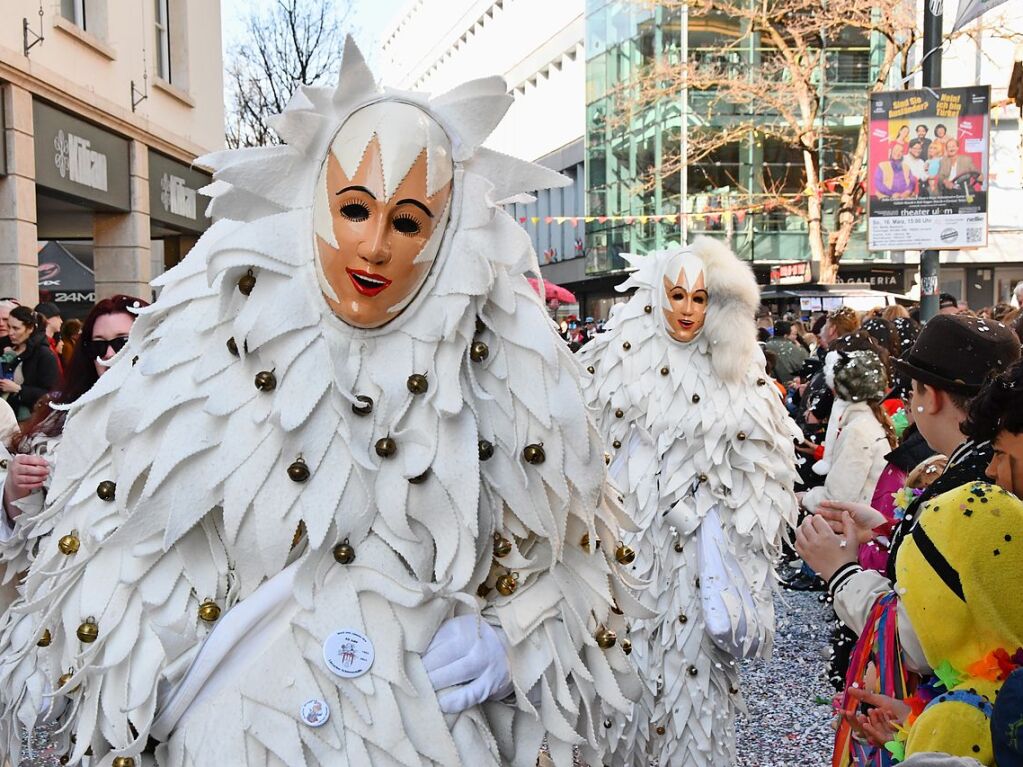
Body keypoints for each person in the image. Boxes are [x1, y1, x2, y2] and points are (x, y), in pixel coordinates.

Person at [0, 39, 640, 767]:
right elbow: (115, 534)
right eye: (354, 208)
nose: (371, 249)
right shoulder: (204, 347)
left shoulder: (508, 379)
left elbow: (575, 559)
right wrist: (163, 659)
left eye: (405, 223)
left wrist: (517, 637)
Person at [579, 241, 800, 767]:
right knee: (622, 685)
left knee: (694, 691)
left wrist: (736, 534)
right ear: (656, 295)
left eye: (699, 298)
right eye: (676, 295)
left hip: (698, 562)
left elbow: (764, 468)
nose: (686, 309)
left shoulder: (741, 373)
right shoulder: (617, 361)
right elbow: (585, 450)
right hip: (627, 556)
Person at [796, 314, 1019, 681]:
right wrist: (889, 528)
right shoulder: (994, 466)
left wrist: (841, 572)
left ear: (929, 398)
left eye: (913, 389)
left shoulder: (967, 491)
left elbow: (915, 642)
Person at [0, 295, 148, 570]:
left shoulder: (187, 419)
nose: (109, 355)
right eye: (98, 345)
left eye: (123, 342)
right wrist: (14, 488)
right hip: (70, 580)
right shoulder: (57, 425)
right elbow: (27, 532)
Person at [0, 307, 59, 421]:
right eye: (9, 327)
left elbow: (52, 393)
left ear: (30, 328)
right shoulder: (4, 347)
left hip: (28, 421)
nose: (11, 332)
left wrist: (19, 389)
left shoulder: (44, 355)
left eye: (16, 328)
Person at [766, 319, 810, 386]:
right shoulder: (798, 350)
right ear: (786, 335)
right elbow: (807, 367)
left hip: (771, 388)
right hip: (791, 387)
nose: (796, 337)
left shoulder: (764, 346)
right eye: (794, 334)